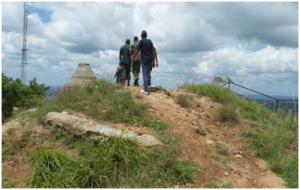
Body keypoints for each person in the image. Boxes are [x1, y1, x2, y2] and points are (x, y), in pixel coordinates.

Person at [132, 30, 155, 95]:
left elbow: (137, 51)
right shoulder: (150, 42)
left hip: (144, 59)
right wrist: (153, 62)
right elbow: (153, 52)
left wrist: (133, 58)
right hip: (150, 59)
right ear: (146, 35)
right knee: (147, 74)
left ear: (141, 36)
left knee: (144, 74)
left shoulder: (141, 41)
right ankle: (145, 89)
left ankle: (146, 91)